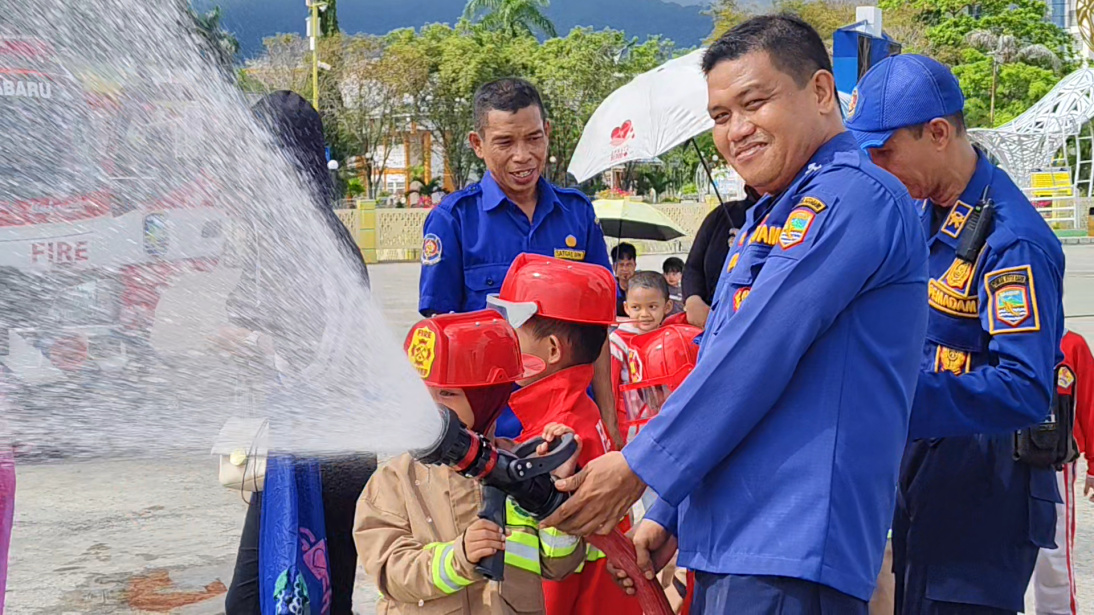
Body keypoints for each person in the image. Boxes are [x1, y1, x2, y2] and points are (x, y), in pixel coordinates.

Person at [543, 15, 929, 613]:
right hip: (732, 538)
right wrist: (669, 511)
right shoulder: (769, 217)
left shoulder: (855, 198)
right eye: (720, 117)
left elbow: (758, 351)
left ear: (822, 92)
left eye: (755, 103)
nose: (736, 130)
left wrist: (639, 469)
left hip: (794, 543)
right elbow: (718, 362)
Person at [846, 54, 1065, 615]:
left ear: (938, 133)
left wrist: (897, 404)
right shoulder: (925, 215)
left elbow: (1024, 388)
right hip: (923, 483)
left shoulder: (1012, 242)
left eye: (885, 150)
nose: (875, 164)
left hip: (981, 501)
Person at [224, 90, 376, 615]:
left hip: (330, 451)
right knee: (297, 595)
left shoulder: (311, 241)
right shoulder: (283, 234)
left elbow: (316, 350)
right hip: (304, 444)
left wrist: (239, 339)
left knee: (280, 599)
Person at [416, 78, 618, 446]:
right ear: (478, 144)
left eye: (533, 138)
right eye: (505, 142)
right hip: (494, 439)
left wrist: (610, 422)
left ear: (547, 133)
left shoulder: (577, 214)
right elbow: (442, 346)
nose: (523, 155)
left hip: (573, 430)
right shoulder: (454, 220)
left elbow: (599, 332)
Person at [354, 310, 587, 615]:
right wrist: (457, 557)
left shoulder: (518, 468)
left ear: (488, 398)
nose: (429, 406)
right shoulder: (394, 481)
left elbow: (559, 564)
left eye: (447, 393)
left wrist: (556, 494)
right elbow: (390, 572)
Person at [487, 254, 641, 615]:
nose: (506, 338)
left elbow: (553, 575)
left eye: (516, 329)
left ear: (553, 349)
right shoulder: (578, 414)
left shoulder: (556, 438)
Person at [1030, 328, 1094, 615]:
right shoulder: (995, 338)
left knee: (1053, 554)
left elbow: (1090, 405)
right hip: (1000, 460)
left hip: (1055, 465)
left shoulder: (1072, 345)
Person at [610, 272, 673, 444]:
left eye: (652, 307)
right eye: (636, 307)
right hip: (628, 428)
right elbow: (610, 389)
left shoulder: (672, 337)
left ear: (667, 307)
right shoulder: (617, 342)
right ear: (626, 308)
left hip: (664, 423)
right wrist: (613, 428)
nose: (644, 314)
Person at [682, 190, 757, 329]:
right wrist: (693, 299)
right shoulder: (723, 214)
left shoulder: (796, 213)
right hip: (710, 322)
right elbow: (693, 266)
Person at [611, 243, 638, 318]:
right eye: (621, 265)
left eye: (629, 265)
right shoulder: (609, 288)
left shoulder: (643, 287)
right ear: (614, 267)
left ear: (635, 265)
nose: (625, 269)